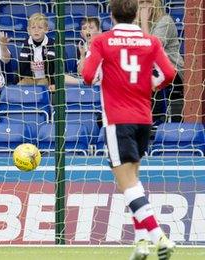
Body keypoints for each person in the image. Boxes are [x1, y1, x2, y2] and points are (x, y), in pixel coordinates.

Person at [81, 0, 177, 259]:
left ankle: (159, 237)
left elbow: (88, 75)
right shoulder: (150, 41)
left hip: (117, 118)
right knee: (133, 182)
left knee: (127, 183)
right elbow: (169, 73)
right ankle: (141, 243)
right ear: (136, 15)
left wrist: (101, 73)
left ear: (111, 15)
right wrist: (151, 85)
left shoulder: (102, 41)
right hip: (144, 119)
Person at [137, 0, 185, 123]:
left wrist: (143, 22)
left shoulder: (165, 21)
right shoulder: (135, 25)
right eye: (140, 2)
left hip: (172, 70)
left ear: (154, 4)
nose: (143, 6)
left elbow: (150, 50)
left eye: (146, 2)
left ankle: (153, 116)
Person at [17, 13, 56, 91]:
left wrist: (41, 65)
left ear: (46, 29)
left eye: (40, 27)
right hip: (30, 77)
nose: (36, 30)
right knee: (20, 85)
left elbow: (51, 67)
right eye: (33, 27)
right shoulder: (26, 44)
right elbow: (22, 66)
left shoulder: (51, 43)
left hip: (45, 78)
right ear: (28, 30)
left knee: (41, 85)